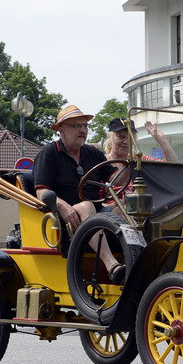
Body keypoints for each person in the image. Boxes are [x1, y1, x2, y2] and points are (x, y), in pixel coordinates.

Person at [34, 105, 128, 283]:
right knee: (87, 206)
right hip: (63, 220)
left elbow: (118, 180)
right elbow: (41, 191)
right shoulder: (49, 153)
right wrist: (63, 207)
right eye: (77, 126)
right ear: (61, 129)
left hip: (97, 213)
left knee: (124, 208)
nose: (83, 130)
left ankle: (136, 262)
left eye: (85, 126)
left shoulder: (92, 153)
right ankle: (112, 267)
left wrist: (127, 162)